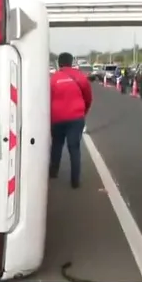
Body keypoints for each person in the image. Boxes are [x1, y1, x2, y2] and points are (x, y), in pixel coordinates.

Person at [50, 52, 92, 188]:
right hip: (76, 118)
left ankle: (53, 172)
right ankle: (75, 181)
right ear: (71, 62)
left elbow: (48, 99)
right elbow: (88, 98)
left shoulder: (54, 78)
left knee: (57, 145)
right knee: (74, 148)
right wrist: (82, 113)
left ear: (59, 63)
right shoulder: (80, 77)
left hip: (57, 118)